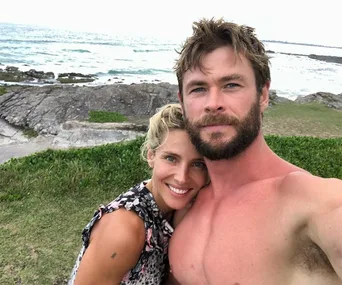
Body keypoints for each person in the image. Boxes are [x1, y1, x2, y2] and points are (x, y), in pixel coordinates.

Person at [167, 18, 342, 285]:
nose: (213, 104)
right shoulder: (185, 201)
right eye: (198, 89)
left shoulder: (311, 201)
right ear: (182, 102)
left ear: (263, 95)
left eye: (231, 85)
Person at [68, 103, 209, 285]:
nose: (182, 178)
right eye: (171, 158)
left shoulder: (180, 210)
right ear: (151, 156)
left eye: (197, 164)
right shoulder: (124, 229)